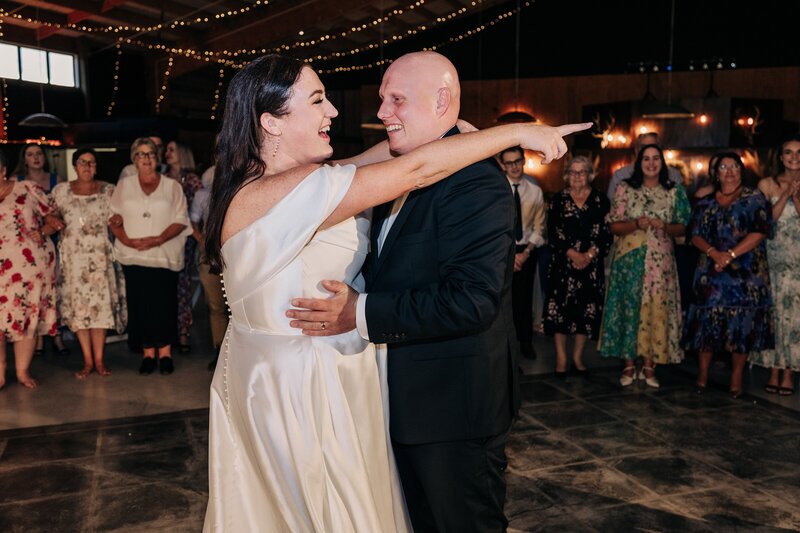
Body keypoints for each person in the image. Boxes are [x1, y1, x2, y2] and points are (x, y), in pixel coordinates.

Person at [202, 53, 588, 532]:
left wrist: (450, 128)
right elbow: (414, 170)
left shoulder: (290, 182)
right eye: (318, 100)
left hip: (339, 374)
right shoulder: (285, 191)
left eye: (395, 99)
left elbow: (387, 156)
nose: (335, 113)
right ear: (271, 122)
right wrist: (515, 132)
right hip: (296, 385)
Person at [683, 152, 774, 397]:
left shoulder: (754, 198)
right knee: (706, 324)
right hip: (711, 270)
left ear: (741, 170)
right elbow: (694, 234)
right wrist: (715, 253)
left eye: (735, 166)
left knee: (741, 325)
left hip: (745, 271)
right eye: (724, 167)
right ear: (716, 172)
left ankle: (736, 379)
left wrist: (730, 255)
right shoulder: (705, 201)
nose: (730, 171)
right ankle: (702, 375)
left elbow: (761, 231)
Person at [599, 144, 690, 388]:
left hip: (660, 261)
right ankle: (629, 365)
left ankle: (650, 365)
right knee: (630, 308)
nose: (651, 163)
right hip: (629, 259)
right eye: (646, 159)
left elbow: (682, 226)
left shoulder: (674, 191)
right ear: (638, 163)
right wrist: (635, 224)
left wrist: (665, 227)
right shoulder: (625, 188)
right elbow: (614, 226)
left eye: (656, 158)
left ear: (663, 162)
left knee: (655, 309)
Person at [109, 138, 191, 376]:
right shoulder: (124, 185)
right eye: (141, 154)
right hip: (133, 256)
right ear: (134, 159)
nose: (146, 159)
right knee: (140, 305)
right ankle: (147, 354)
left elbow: (180, 219)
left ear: (157, 158)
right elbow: (114, 217)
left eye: (150, 154)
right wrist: (126, 240)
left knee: (164, 304)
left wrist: (156, 239)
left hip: (164, 256)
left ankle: (165, 353)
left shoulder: (172, 186)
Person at [48, 148, 126, 379]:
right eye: (83, 162)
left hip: (100, 258)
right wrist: (50, 219)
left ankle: (100, 360)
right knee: (80, 310)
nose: (87, 167)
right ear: (74, 165)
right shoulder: (61, 191)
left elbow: (121, 216)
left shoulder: (109, 190)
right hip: (74, 260)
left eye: (92, 163)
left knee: (100, 309)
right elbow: (49, 215)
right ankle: (87, 360)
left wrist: (120, 220)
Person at [543, 156, 611, 377]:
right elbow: (551, 233)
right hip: (563, 265)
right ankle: (562, 357)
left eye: (582, 172)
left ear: (590, 174)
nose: (577, 176)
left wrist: (589, 255)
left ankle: (578, 356)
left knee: (586, 311)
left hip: (590, 267)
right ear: (566, 175)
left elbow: (605, 233)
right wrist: (573, 254)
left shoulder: (601, 200)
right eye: (573, 172)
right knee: (560, 312)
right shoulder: (558, 200)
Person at [0, 149, 58, 389]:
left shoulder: (27, 188)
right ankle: (0, 374)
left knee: (25, 318)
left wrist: (44, 230)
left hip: (28, 267)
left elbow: (55, 216)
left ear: (3, 170)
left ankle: (23, 372)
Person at [751, 136, 800, 395]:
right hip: (773, 258)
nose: (794, 157)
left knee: (795, 317)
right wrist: (786, 195)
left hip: (798, 260)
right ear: (781, 157)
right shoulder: (767, 184)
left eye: (799, 153)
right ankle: (773, 369)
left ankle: (789, 371)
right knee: (775, 314)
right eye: (789, 153)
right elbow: (766, 221)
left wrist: (797, 195)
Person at [13, 142, 69, 357]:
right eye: (30, 154)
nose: (35, 157)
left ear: (45, 157)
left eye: (39, 154)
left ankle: (56, 336)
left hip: (51, 238)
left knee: (53, 287)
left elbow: (62, 213)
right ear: (24, 158)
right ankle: (35, 339)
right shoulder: (17, 182)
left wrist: (48, 229)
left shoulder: (56, 181)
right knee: (32, 291)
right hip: (26, 243)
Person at [498, 145, 546, 359]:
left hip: (527, 250)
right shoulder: (497, 191)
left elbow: (540, 227)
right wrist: (509, 255)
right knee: (504, 301)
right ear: (503, 165)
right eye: (509, 163)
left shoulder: (535, 191)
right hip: (501, 252)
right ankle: (506, 347)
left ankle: (525, 342)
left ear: (524, 161)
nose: (514, 166)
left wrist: (525, 254)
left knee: (524, 299)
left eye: (517, 161)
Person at [164, 140, 204, 353]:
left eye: (172, 150)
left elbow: (203, 206)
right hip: (162, 237)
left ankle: (183, 332)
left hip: (185, 238)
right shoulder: (162, 178)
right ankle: (167, 332)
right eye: (167, 150)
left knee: (182, 285)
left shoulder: (192, 180)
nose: (167, 153)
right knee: (166, 286)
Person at [188, 164, 227, 371]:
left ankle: (237, 354)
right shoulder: (203, 196)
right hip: (209, 255)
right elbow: (192, 221)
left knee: (237, 307)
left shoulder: (240, 191)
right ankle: (219, 350)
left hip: (235, 254)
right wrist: (201, 239)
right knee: (215, 305)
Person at [606, 131, 683, 200]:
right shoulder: (621, 175)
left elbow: (682, 209)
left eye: (653, 146)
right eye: (643, 147)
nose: (648, 151)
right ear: (636, 151)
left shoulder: (674, 175)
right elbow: (613, 206)